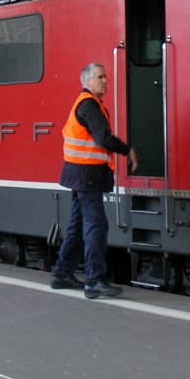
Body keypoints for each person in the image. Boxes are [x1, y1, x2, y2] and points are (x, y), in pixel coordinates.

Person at [51, 63, 138, 299]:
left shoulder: (88, 104)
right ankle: (95, 280)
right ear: (87, 81)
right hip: (87, 175)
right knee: (96, 225)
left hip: (81, 175)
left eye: (105, 77)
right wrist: (126, 150)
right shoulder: (88, 105)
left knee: (78, 225)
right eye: (100, 77)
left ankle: (61, 273)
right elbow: (103, 139)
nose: (105, 81)